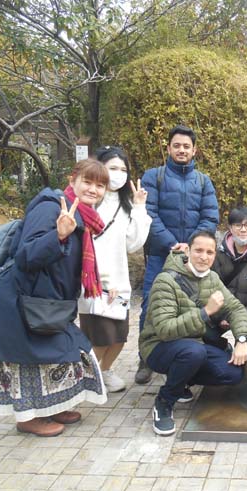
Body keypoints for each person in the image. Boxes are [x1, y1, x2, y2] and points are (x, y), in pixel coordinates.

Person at [0, 159, 109, 437]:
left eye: (100, 185)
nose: (93, 189)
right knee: (25, 362)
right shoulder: (50, 207)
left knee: (63, 353)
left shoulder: (84, 217)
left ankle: (52, 406)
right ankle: (27, 418)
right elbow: (26, 256)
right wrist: (58, 235)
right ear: (73, 180)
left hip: (48, 302)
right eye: (88, 182)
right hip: (20, 301)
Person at [139, 231, 247, 436]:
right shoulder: (165, 281)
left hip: (194, 343)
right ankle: (165, 401)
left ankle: (182, 380)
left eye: (209, 252)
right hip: (158, 346)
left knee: (233, 372)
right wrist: (205, 312)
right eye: (198, 250)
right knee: (193, 353)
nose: (204, 257)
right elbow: (165, 330)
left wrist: (242, 339)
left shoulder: (212, 278)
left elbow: (235, 309)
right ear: (188, 251)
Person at [136, 125, 219, 385]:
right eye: (177, 145)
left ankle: (185, 358)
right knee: (151, 303)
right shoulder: (154, 177)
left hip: (194, 258)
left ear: (194, 150)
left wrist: (193, 247)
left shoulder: (204, 181)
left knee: (191, 305)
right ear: (168, 148)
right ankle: (145, 356)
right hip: (162, 255)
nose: (181, 150)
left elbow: (210, 216)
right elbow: (149, 213)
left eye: (186, 146)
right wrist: (174, 244)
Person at [77, 146, 151, 393]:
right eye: (112, 168)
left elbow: (133, 244)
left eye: (123, 169)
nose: (118, 174)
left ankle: (104, 372)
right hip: (94, 283)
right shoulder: (88, 202)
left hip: (119, 282)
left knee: (119, 337)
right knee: (99, 336)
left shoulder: (124, 205)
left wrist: (139, 206)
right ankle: (86, 379)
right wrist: (99, 281)